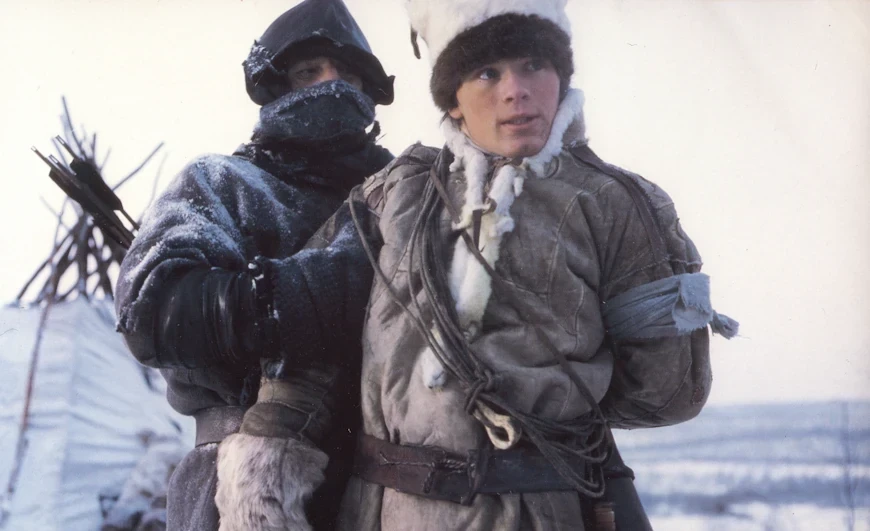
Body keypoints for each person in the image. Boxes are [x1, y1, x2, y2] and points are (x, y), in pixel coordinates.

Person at [227, 0, 738, 529]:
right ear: (453, 100)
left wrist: (546, 418)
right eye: (487, 72)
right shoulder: (390, 196)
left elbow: (667, 391)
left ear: (561, 77)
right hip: (383, 513)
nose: (516, 90)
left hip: (539, 514)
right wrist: (264, 484)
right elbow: (309, 359)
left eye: (534, 65)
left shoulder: (618, 203)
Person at [112, 0, 394, 529]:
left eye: (348, 75)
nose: (331, 86)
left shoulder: (404, 196)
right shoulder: (223, 183)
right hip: (238, 482)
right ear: (277, 86)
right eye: (309, 71)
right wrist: (305, 297)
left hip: (389, 485)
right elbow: (154, 310)